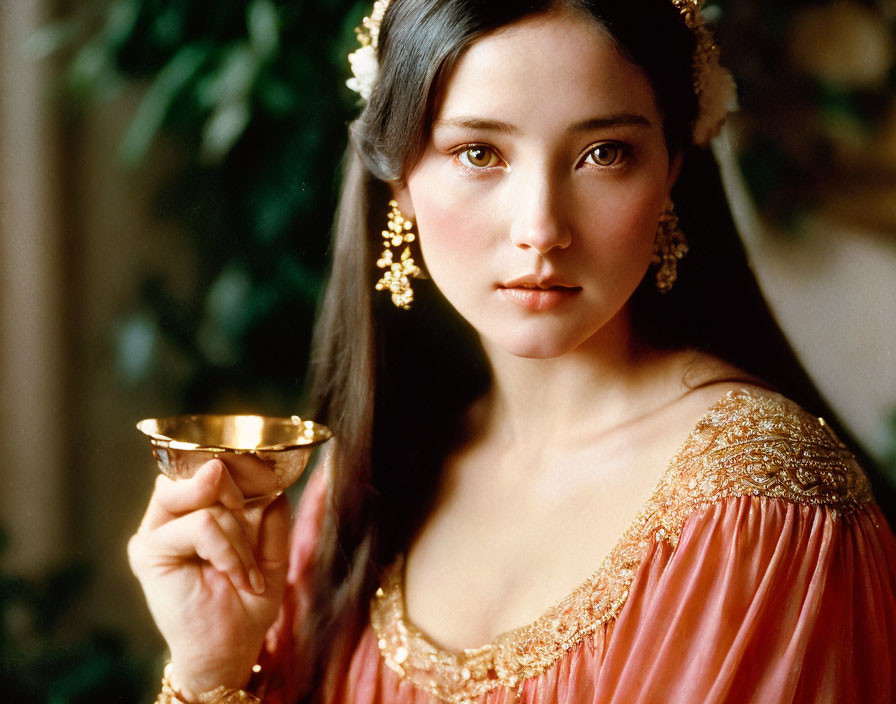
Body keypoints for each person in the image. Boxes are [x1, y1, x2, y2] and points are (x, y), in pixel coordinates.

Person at [127, 1, 896, 702]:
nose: (541, 228)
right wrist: (212, 669)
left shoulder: (761, 506)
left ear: (672, 174)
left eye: (603, 154)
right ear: (398, 183)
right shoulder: (365, 478)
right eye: (479, 154)